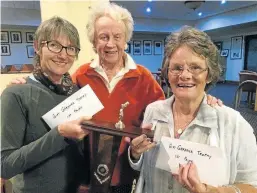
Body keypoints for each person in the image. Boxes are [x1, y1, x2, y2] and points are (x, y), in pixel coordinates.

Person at [7, 4, 221, 193]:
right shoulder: (80, 75)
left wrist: (204, 99)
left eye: (117, 37)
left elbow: (172, 108)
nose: (110, 44)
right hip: (85, 173)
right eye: (103, 37)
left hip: (125, 173)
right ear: (94, 41)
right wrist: (26, 82)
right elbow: (55, 91)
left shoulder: (143, 77)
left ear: (125, 40)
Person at [129, 26, 257, 193]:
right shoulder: (153, 111)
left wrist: (211, 191)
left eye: (195, 67)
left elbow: (252, 186)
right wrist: (135, 153)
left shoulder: (234, 124)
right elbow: (144, 169)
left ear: (209, 74)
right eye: (176, 68)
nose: (185, 75)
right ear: (167, 73)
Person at [1, 16, 91, 193]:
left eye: (70, 48)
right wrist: (59, 134)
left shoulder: (75, 93)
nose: (63, 54)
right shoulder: (16, 94)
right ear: (37, 47)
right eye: (54, 45)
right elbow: (5, 165)